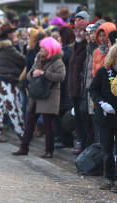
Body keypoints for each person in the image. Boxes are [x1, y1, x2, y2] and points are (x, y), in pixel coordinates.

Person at [12, 37, 66, 158]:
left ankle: (49, 150)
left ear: (50, 49)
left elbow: (61, 77)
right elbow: (29, 74)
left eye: (43, 47)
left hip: (49, 95)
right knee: (30, 122)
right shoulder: (38, 58)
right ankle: (23, 147)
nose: (41, 49)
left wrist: (44, 73)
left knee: (48, 124)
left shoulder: (58, 62)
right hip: (36, 95)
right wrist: (34, 73)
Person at [0, 23, 25, 142]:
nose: (14, 34)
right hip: (8, 81)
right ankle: (22, 134)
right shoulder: (9, 48)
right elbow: (22, 60)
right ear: (8, 34)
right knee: (14, 107)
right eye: (12, 32)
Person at [89, 44, 117, 194]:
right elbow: (93, 89)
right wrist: (102, 103)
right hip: (106, 117)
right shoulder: (103, 72)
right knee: (107, 150)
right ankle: (109, 178)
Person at [67, 19, 90, 155]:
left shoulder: (86, 48)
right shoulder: (75, 47)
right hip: (74, 90)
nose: (78, 33)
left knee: (85, 121)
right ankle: (82, 145)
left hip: (82, 90)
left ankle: (86, 146)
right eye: (76, 30)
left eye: (81, 31)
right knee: (79, 121)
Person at [53, 26, 74, 148]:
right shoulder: (67, 49)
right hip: (65, 86)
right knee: (61, 114)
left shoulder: (67, 51)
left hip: (66, 87)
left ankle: (66, 140)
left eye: (60, 36)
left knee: (64, 115)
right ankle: (61, 138)